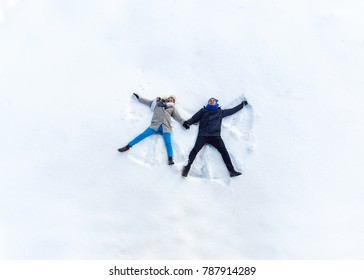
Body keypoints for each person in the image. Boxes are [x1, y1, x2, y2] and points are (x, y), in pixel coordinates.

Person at [181, 97, 248, 177]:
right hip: (203, 135)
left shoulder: (220, 112)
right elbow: (195, 118)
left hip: (215, 136)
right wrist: (188, 123)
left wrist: (242, 105)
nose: (211, 101)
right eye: (210, 100)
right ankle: (186, 168)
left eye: (213, 100)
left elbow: (232, 111)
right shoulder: (203, 110)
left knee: (224, 151)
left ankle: (231, 171)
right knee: (195, 150)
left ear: (216, 103)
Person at [118, 93, 186, 165]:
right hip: (155, 125)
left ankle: (170, 158)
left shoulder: (172, 108)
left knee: (168, 143)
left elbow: (177, 117)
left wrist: (184, 122)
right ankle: (128, 146)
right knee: (143, 135)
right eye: (170, 98)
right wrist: (139, 98)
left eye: (173, 99)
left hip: (166, 127)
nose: (171, 99)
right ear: (167, 98)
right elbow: (148, 102)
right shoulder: (158, 103)